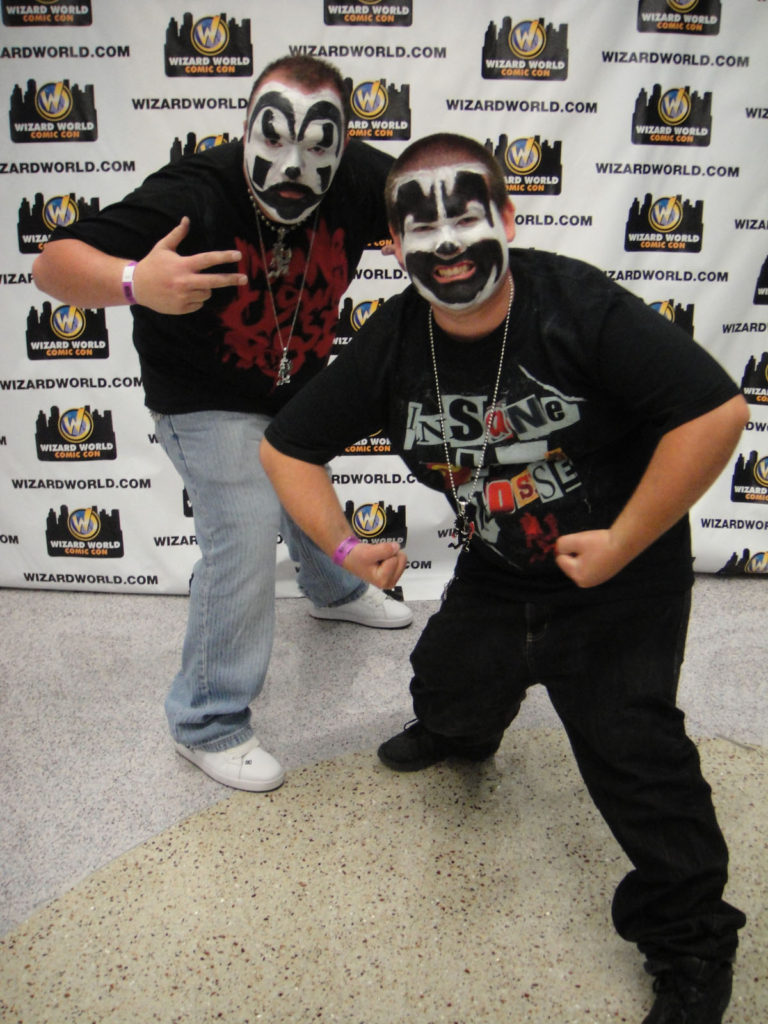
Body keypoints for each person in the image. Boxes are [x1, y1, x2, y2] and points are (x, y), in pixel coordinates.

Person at [259, 132, 749, 1023]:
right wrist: (341, 549)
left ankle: (691, 947)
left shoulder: (576, 306)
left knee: (636, 755)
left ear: (508, 220)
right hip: (499, 566)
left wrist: (626, 541)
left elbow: (716, 411)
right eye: (420, 228)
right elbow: (286, 445)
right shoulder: (396, 339)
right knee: (447, 682)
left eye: (465, 216)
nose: (445, 244)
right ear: (395, 247)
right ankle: (464, 733)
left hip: (619, 573)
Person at [31, 54, 413, 794]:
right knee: (243, 518)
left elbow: (432, 199)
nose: (295, 167)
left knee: (299, 460)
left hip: (293, 380)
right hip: (200, 394)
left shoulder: (366, 179)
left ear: (343, 147)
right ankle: (206, 720)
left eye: (319, 149)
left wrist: (426, 237)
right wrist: (135, 280)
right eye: (275, 141)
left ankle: (331, 591)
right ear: (247, 131)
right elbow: (53, 264)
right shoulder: (195, 194)